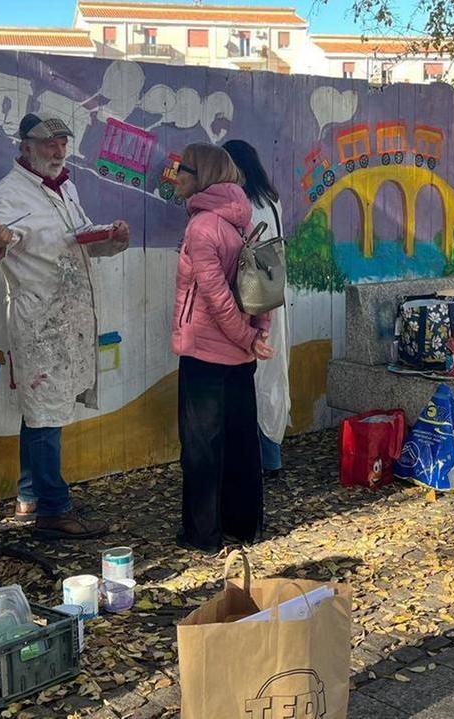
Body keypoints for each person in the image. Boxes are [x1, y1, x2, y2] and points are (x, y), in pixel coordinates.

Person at [0, 113, 129, 539]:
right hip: (39, 321)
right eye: (48, 145)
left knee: (41, 414)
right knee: (45, 418)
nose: (57, 151)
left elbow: (77, 238)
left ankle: (29, 497)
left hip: (65, 318)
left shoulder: (66, 187)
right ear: (24, 147)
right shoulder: (7, 196)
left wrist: (109, 237)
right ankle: (55, 510)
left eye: (62, 143)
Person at [170, 143, 274, 552]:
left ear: (204, 177)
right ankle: (244, 525)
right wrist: (257, 334)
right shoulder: (240, 220)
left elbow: (216, 299)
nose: (176, 176)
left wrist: (248, 337)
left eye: (184, 170)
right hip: (239, 356)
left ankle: (202, 534)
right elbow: (261, 286)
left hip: (204, 355)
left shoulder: (201, 228)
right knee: (241, 442)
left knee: (200, 449)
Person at [224, 139, 291, 480]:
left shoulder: (239, 205)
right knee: (273, 372)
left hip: (250, 298)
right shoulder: (272, 199)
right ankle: (272, 454)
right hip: (274, 292)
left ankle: (259, 455)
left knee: (252, 373)